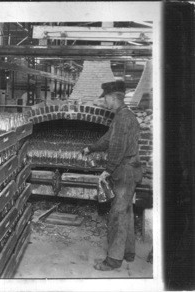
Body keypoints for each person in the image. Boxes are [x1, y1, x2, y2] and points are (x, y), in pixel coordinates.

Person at [82, 80, 143, 271]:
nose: (105, 103)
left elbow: (117, 147)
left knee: (117, 214)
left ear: (111, 97)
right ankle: (128, 252)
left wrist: (106, 171)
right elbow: (108, 139)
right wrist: (90, 148)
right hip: (129, 170)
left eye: (105, 99)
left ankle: (114, 260)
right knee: (126, 212)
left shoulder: (123, 118)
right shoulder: (122, 116)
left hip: (125, 172)